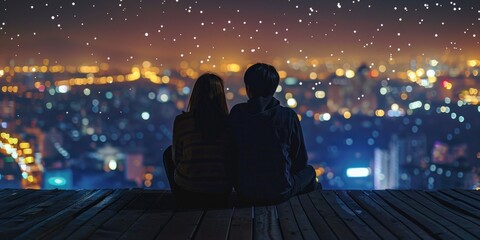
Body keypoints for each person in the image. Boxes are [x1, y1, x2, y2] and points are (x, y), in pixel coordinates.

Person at [229, 63, 320, 205]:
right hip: (280, 191)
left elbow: (231, 152)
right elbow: (300, 160)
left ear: (248, 88)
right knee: (310, 172)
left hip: (245, 191)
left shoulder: (237, 113)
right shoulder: (288, 116)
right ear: (274, 88)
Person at [163, 73, 233, 208]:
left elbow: (176, 158)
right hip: (221, 194)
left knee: (168, 152)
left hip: (188, 194)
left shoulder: (182, 121)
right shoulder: (229, 122)